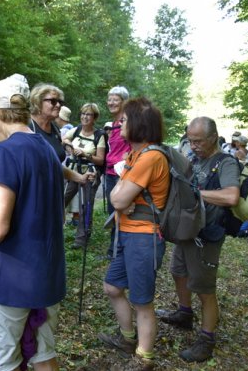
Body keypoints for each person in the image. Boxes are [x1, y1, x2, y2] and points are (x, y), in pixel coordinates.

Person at [0, 73, 94, 371]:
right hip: (47, 274)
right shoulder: (47, 149)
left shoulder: (6, 151)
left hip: (11, 278)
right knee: (44, 355)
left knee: (5, 362)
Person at [158, 117, 240, 363]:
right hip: (188, 231)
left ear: (213, 137)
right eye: (190, 141)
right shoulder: (194, 159)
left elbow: (231, 197)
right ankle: (184, 314)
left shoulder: (226, 163)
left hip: (207, 236)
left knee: (205, 289)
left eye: (198, 141)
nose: (193, 146)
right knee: (178, 271)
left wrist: (195, 193)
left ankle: (207, 339)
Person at [97, 98, 169, 370]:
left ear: (138, 123)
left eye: (124, 120)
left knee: (142, 302)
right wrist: (121, 198)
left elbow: (117, 200)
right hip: (127, 234)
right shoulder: (134, 155)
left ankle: (144, 358)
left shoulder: (150, 157)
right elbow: (117, 197)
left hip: (143, 237)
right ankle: (129, 338)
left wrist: (121, 199)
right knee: (113, 286)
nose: (119, 124)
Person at [62, 103, 107, 247]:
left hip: (90, 174)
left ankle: (82, 238)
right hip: (75, 172)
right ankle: (52, 230)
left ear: (95, 117)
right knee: (62, 199)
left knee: (86, 206)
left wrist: (86, 155)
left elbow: (100, 160)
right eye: (83, 113)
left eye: (88, 114)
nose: (84, 117)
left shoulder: (100, 135)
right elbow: (64, 139)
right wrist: (70, 147)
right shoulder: (76, 130)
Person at [104, 86, 132, 258]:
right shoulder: (113, 124)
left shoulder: (127, 122)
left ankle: (120, 250)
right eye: (109, 99)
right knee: (112, 211)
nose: (111, 102)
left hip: (122, 172)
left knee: (120, 209)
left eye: (115, 99)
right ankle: (114, 249)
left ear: (124, 102)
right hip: (109, 171)